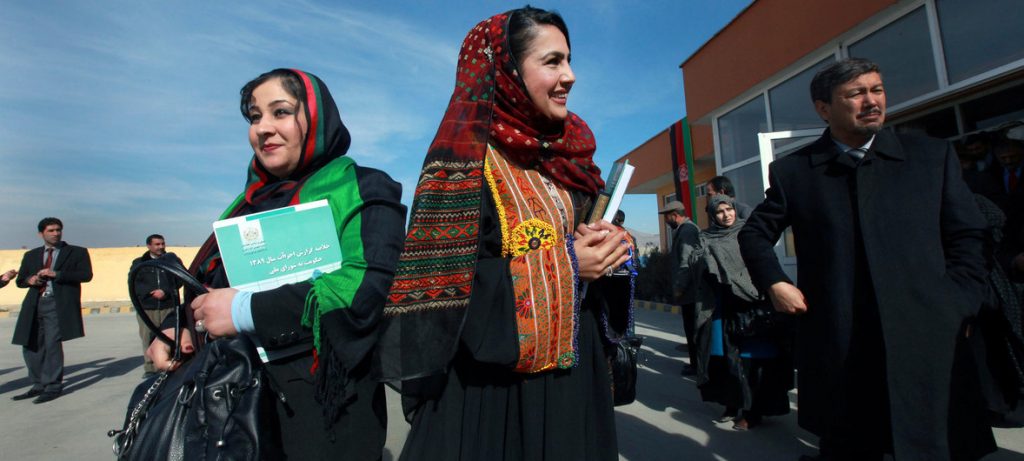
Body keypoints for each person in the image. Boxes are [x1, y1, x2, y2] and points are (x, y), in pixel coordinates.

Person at [377, 7, 632, 460]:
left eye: (569, 60)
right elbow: (438, 295)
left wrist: (609, 248)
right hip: (492, 395)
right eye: (552, 62)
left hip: (573, 381)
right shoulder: (462, 163)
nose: (569, 76)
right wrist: (568, 266)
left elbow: (581, 252)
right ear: (507, 71)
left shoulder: (569, 157)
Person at [738, 57, 995, 460]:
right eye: (856, 94)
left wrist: (959, 303)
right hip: (842, 340)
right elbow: (754, 233)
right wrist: (775, 281)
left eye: (877, 90)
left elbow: (969, 235)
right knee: (854, 442)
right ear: (824, 109)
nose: (871, 101)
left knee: (935, 442)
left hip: (927, 335)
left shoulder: (929, 157)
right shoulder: (795, 171)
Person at [146, 69, 406, 460]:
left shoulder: (361, 187)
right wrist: (178, 326)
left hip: (324, 407)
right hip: (234, 400)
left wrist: (244, 310)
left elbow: (367, 286)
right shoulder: (246, 205)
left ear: (317, 119)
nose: (263, 128)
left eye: (280, 112)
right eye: (254, 117)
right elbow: (209, 284)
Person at [691, 195, 792, 431]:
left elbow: (764, 264)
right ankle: (731, 403)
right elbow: (699, 271)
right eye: (719, 212)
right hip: (722, 308)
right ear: (712, 215)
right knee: (724, 359)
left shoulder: (748, 234)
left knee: (752, 360)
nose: (726, 215)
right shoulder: (706, 238)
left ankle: (752, 410)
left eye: (729, 209)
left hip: (752, 306)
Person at [11, 217, 93, 404]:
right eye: (51, 230)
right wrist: (30, 280)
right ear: (41, 233)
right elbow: (20, 281)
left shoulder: (76, 252)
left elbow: (86, 275)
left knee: (52, 344)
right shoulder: (31, 255)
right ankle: (38, 383)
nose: (56, 233)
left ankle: (53, 385)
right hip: (34, 304)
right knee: (30, 344)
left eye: (58, 230)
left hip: (58, 304)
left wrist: (57, 274)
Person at [129, 234, 184, 377]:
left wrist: (165, 291)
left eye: (162, 244)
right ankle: (150, 368)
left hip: (169, 306)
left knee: (170, 337)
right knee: (148, 337)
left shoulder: (172, 261)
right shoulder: (139, 263)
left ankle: (170, 364)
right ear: (149, 246)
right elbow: (134, 283)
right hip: (147, 308)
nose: (161, 247)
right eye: (157, 244)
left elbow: (181, 279)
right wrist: (150, 293)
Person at [659, 200, 701, 375]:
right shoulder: (684, 230)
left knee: (693, 329)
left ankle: (697, 366)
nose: (666, 221)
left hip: (691, 291)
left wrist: (679, 288)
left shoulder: (687, 231)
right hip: (689, 291)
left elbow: (686, 262)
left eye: (666, 217)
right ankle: (696, 363)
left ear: (674, 215)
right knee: (690, 328)